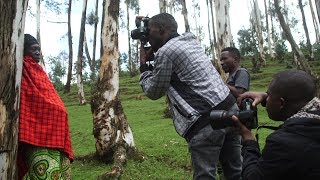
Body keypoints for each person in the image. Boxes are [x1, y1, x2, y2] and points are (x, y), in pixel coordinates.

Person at [138, 13, 242, 180]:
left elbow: (153, 91)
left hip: (207, 120)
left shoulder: (167, 51)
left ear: (161, 30)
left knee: (205, 175)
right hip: (231, 109)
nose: (148, 37)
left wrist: (144, 67)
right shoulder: (189, 41)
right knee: (235, 170)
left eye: (150, 32)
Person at [233, 69, 320, 180]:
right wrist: (266, 97)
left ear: (281, 103)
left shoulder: (283, 143)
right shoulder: (313, 120)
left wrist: (249, 140)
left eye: (268, 95)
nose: (266, 98)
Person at [17, 34, 74, 180]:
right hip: (35, 135)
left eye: (39, 50)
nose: (37, 53)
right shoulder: (23, 68)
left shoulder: (38, 70)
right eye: (33, 49)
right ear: (23, 50)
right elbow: (33, 99)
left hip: (55, 136)